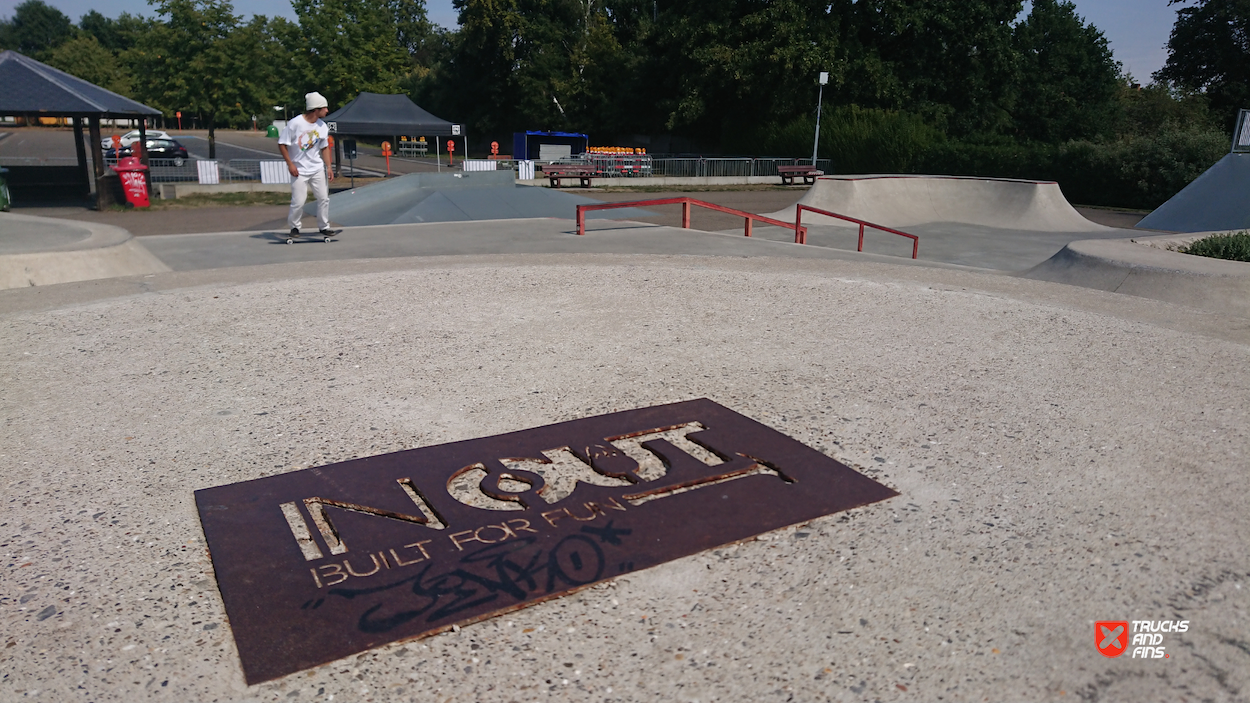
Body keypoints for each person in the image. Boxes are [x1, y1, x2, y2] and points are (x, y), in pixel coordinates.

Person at [278, 92, 335, 237]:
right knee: (298, 201)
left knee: (323, 198)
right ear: (316, 109)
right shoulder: (295, 123)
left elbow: (324, 148)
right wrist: (290, 164)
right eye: (324, 108)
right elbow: (282, 144)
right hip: (299, 169)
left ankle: (324, 226)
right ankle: (295, 227)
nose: (327, 111)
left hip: (316, 168)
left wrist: (328, 167)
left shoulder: (322, 126)